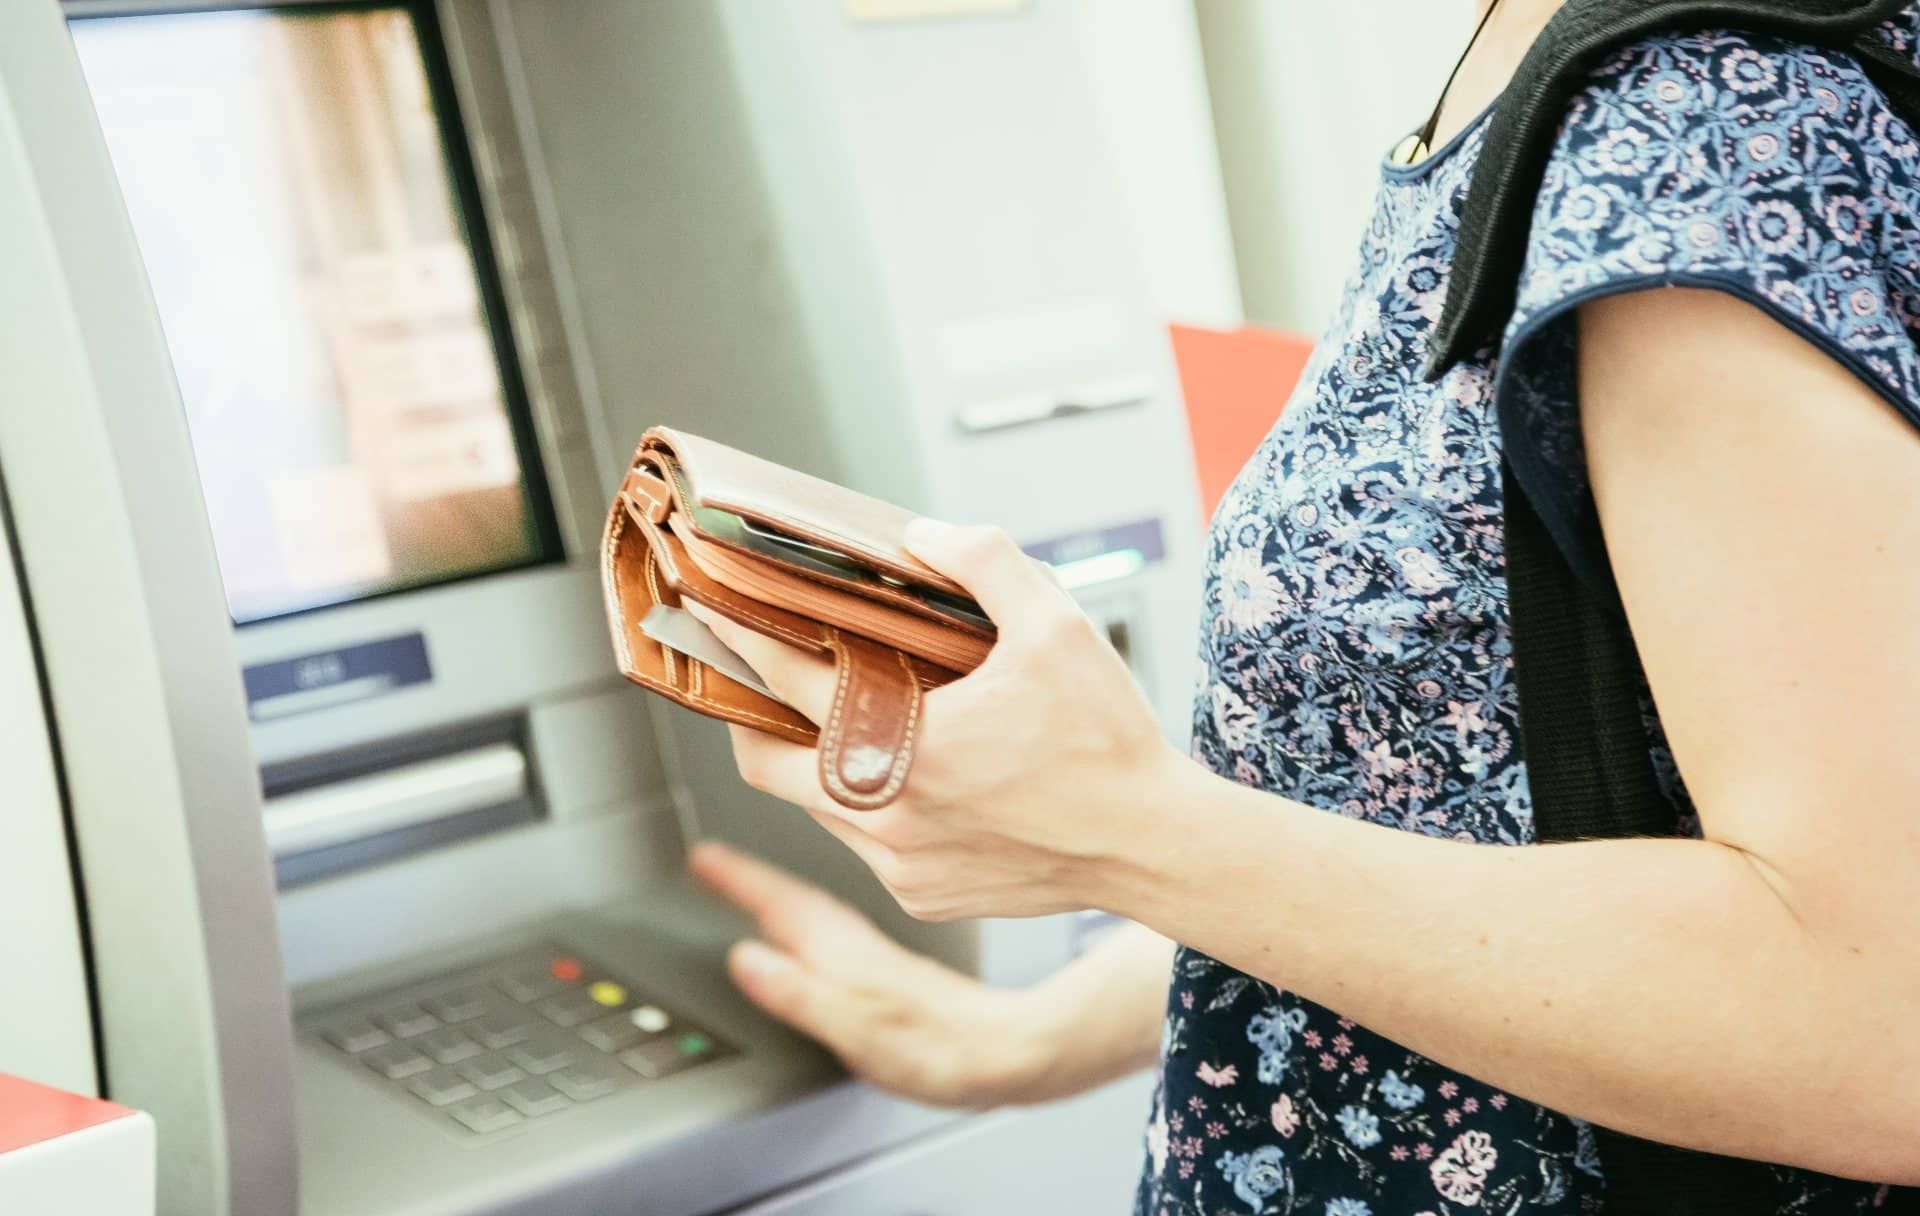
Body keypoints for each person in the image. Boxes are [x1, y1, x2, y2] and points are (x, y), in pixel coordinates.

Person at [684, 0, 1920, 1210]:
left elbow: (1878, 1022)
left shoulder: (1700, 116)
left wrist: (1120, 828)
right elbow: (1445, 820)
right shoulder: (1552, 56)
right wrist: (1016, 1038)